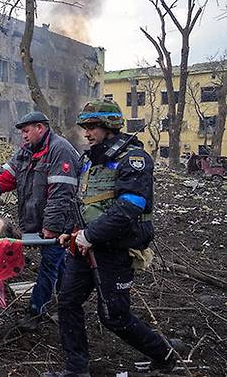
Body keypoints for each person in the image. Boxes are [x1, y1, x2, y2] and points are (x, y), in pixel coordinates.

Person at [46, 100, 186, 377]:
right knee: (67, 302)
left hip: (115, 249)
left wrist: (89, 235)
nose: (87, 133)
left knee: (114, 317)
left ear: (109, 126)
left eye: (92, 127)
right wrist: (72, 232)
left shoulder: (133, 159)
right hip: (84, 246)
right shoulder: (90, 159)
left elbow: (129, 208)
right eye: (85, 127)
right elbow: (85, 203)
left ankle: (164, 353)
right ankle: (76, 369)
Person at [0, 111, 80, 330]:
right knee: (58, 264)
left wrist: (51, 227)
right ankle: (67, 303)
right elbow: (5, 176)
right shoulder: (26, 152)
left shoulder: (60, 151)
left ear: (40, 128)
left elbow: (61, 193)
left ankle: (35, 310)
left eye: (26, 131)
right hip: (37, 222)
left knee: (49, 264)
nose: (23, 135)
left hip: (60, 223)